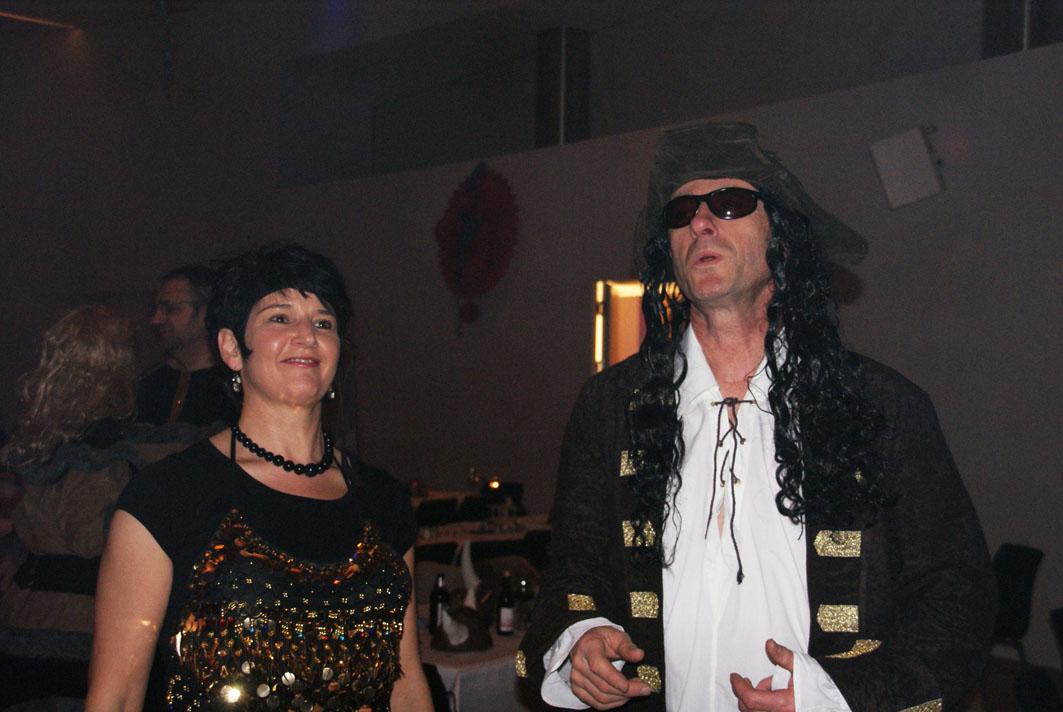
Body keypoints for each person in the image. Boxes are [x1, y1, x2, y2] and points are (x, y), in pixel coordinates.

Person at [518, 122, 995, 712]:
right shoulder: (610, 407)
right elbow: (575, 564)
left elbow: (957, 600)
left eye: (730, 202)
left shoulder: (881, 407)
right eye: (682, 211)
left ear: (784, 241)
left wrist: (835, 697)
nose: (700, 222)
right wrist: (582, 635)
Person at [87, 244, 433, 712]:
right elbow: (117, 694)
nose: (306, 336)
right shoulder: (168, 496)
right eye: (280, 318)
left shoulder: (382, 499)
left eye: (323, 323)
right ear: (231, 349)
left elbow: (405, 682)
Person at [0, 305, 148, 708]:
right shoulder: (104, 452)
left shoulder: (43, 441)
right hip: (79, 623)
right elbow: (87, 538)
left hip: (27, 612)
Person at [136, 264, 237, 427]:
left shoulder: (237, 388)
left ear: (207, 312)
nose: (156, 320)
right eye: (155, 309)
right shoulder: (145, 385)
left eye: (170, 308)